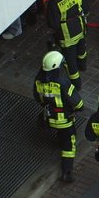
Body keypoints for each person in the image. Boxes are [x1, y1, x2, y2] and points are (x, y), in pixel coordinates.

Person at [33, 50, 84, 183]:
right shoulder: (62, 82)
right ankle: (66, 172)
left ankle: (59, 141)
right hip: (65, 120)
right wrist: (79, 108)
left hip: (49, 118)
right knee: (69, 145)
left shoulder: (38, 80)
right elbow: (77, 102)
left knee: (61, 133)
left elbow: (37, 97)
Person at [46, 0, 88, 88]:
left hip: (66, 34)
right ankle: (83, 65)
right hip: (80, 26)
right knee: (81, 48)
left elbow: (53, 23)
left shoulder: (54, 2)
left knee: (70, 62)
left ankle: (76, 84)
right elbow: (86, 7)